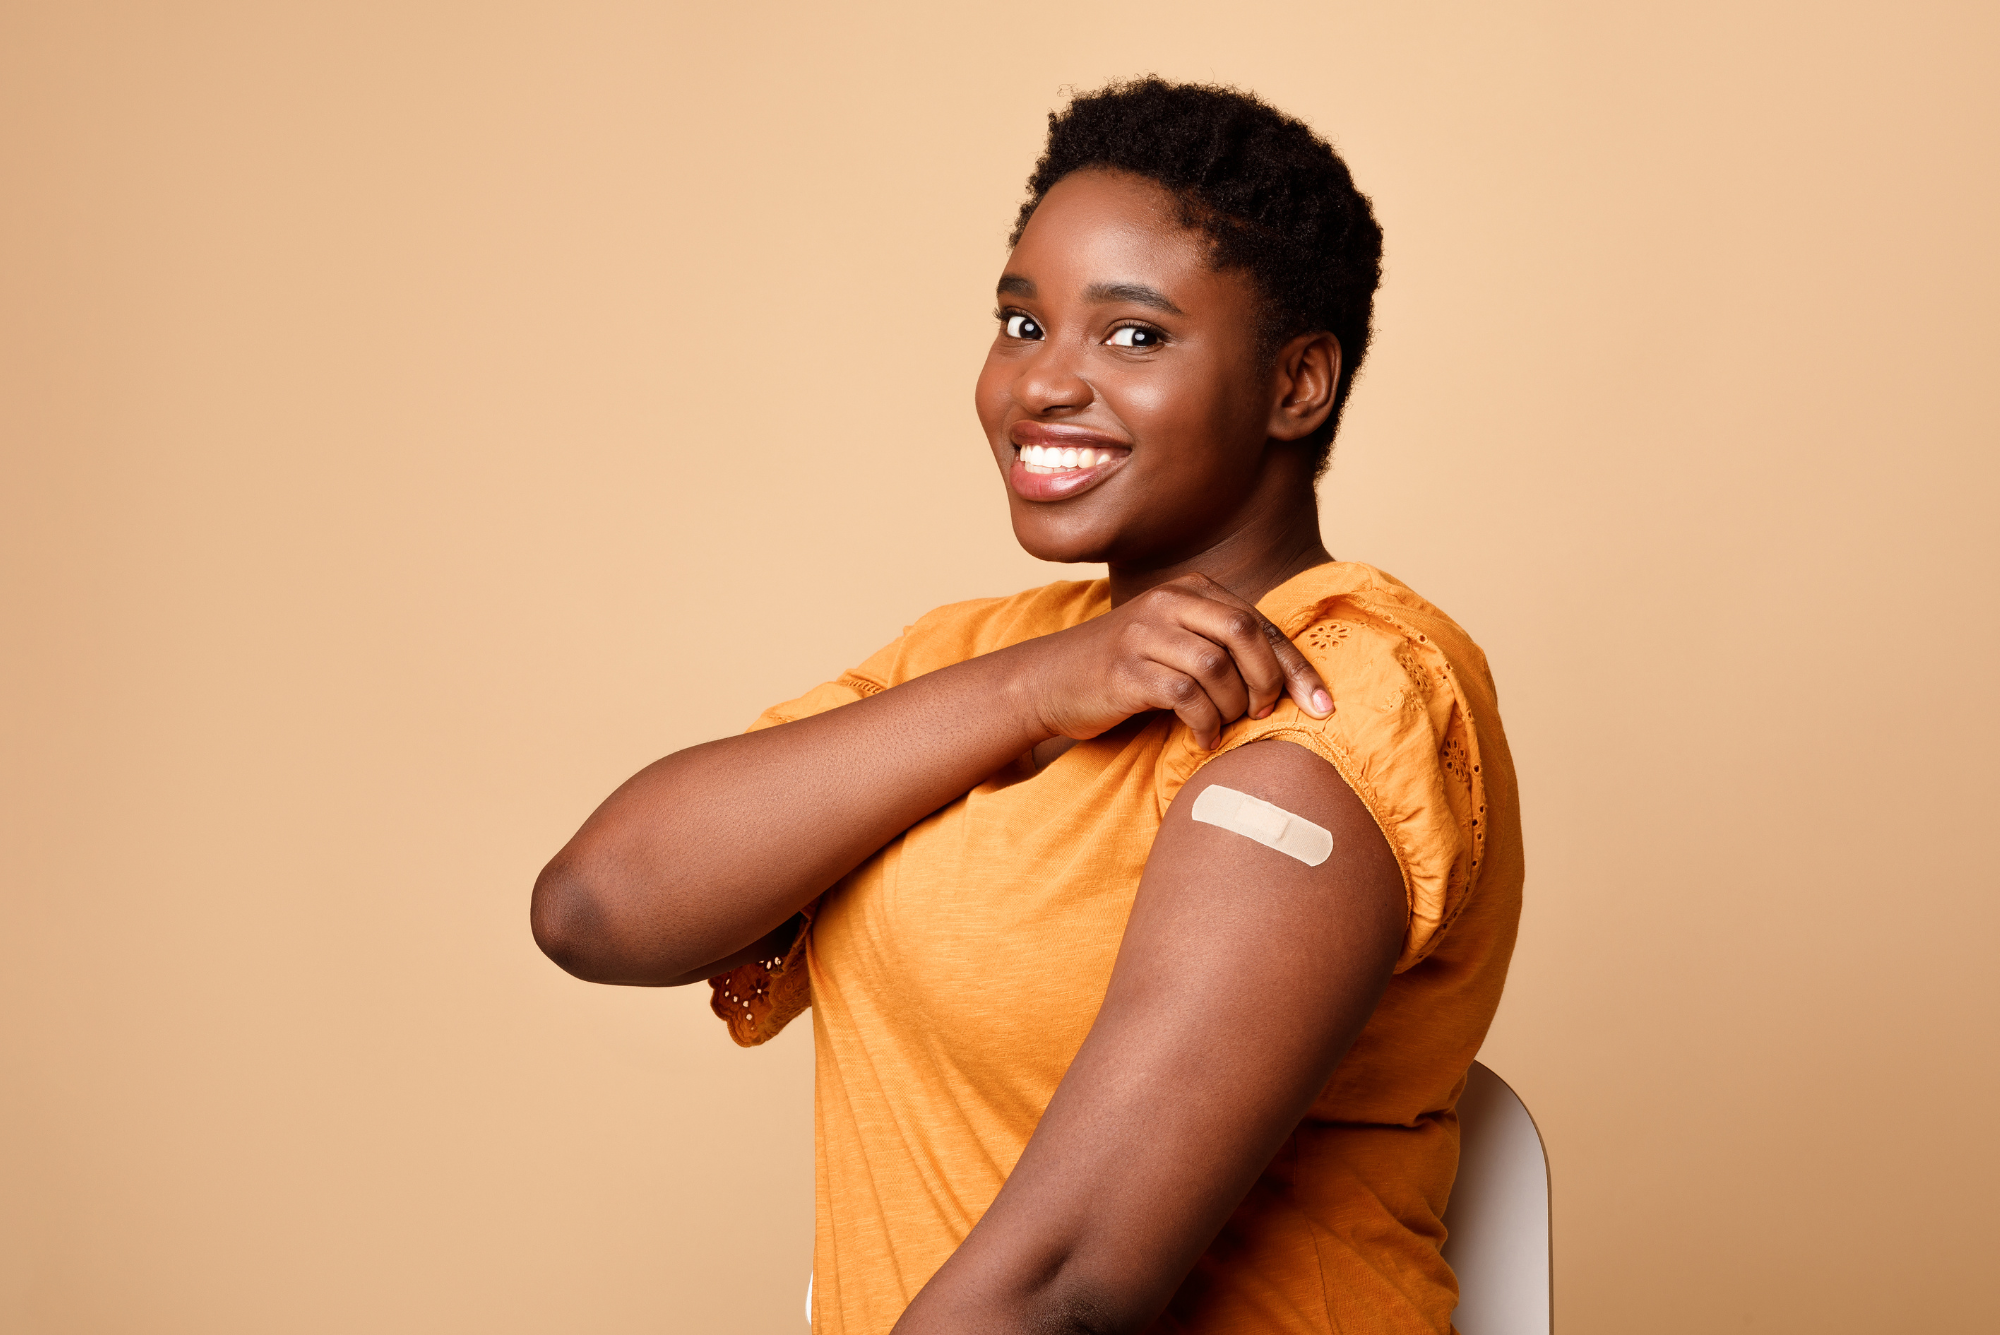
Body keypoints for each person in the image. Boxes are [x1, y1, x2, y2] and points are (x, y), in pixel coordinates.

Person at [531, 77, 1523, 1335]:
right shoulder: (981, 660)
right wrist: (1033, 688)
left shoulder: (1339, 699)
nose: (1041, 385)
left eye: (1133, 336)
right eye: (1019, 322)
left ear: (1296, 384)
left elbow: (1065, 1291)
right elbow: (594, 907)